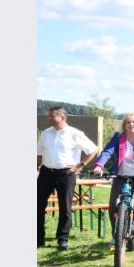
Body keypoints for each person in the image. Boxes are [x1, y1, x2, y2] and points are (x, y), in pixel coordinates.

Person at [93, 112, 134, 250]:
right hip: (121, 174)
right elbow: (107, 151)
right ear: (124, 125)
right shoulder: (119, 137)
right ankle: (116, 237)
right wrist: (99, 165)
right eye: (128, 122)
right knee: (113, 206)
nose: (131, 125)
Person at [37, 106, 98, 250]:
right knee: (37, 206)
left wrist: (80, 165)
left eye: (52, 116)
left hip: (66, 174)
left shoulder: (75, 134)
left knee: (65, 208)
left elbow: (93, 149)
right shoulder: (46, 133)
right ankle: (38, 239)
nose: (49, 118)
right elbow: (39, 154)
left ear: (62, 118)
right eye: (49, 116)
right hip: (46, 172)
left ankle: (62, 239)